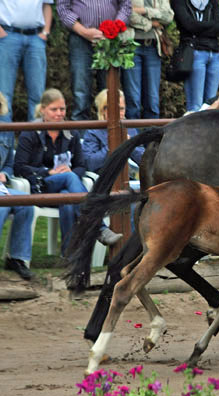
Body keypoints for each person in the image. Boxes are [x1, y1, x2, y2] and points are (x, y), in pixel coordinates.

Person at [14, 89, 123, 256]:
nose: (59, 114)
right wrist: (48, 172)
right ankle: (99, 227)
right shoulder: (30, 132)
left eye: (62, 109)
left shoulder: (70, 131)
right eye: (54, 109)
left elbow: (81, 165)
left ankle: (69, 256)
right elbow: (19, 167)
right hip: (40, 186)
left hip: (67, 189)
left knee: (68, 198)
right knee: (69, 178)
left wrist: (70, 171)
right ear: (43, 110)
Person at [56, 0, 131, 121]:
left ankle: (110, 136)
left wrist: (114, 28)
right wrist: (83, 31)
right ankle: (81, 138)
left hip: (110, 39)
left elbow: (126, 6)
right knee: (81, 91)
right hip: (80, 38)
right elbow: (63, 8)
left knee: (110, 91)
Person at [0, 91, 35, 280]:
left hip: (1, 186)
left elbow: (9, 164)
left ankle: (17, 258)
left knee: (25, 203)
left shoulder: (5, 130)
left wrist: (4, 173)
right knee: (2, 206)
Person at [0, 0, 53, 124]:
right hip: (8, 36)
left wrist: (45, 32)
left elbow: (47, 5)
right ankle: (3, 142)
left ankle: (36, 139)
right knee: (3, 95)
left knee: (38, 95)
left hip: (36, 38)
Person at [121, 0, 174, 120]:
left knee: (152, 101)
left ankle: (151, 137)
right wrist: (151, 23)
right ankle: (133, 136)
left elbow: (168, 16)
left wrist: (144, 11)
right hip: (131, 47)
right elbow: (126, 14)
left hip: (153, 48)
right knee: (133, 99)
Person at [172, 0, 219, 112]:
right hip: (195, 54)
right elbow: (188, 25)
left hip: (215, 55)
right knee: (195, 106)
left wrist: (198, 28)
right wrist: (212, 26)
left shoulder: (212, 2)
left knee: (212, 106)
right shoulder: (180, 2)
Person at [82, 89, 143, 174]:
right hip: (104, 179)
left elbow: (144, 159)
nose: (118, 113)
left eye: (121, 109)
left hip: (130, 177)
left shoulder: (130, 129)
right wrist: (111, 146)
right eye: (113, 109)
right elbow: (90, 164)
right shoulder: (93, 132)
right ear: (103, 110)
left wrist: (130, 144)